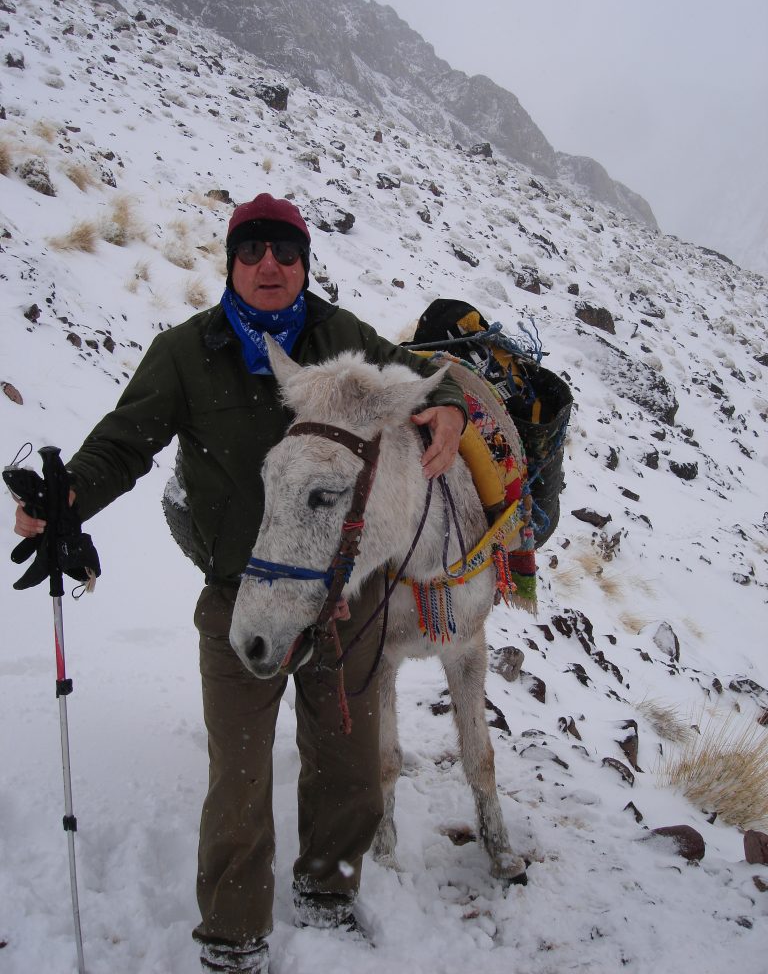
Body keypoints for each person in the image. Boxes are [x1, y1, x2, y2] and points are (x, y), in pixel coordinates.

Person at [12, 193, 467, 974]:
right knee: (240, 772)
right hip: (241, 590)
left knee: (346, 760)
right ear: (230, 261)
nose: (268, 265)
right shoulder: (187, 351)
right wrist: (69, 496)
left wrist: (451, 407)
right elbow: (126, 441)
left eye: (285, 252)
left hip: (339, 595)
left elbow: (423, 374)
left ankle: (327, 890)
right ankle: (231, 935)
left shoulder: (339, 335)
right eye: (251, 249)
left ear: (304, 265)